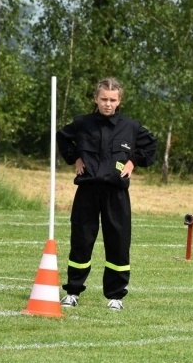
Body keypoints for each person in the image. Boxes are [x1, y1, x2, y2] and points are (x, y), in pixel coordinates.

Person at [56, 77, 157, 311]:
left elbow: (150, 146)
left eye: (112, 100)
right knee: (81, 241)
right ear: (96, 99)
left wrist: (132, 162)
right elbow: (63, 137)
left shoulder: (131, 127)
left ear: (119, 101)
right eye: (103, 99)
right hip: (87, 191)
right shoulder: (82, 123)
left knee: (118, 244)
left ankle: (116, 296)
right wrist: (76, 158)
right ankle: (72, 292)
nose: (107, 104)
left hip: (116, 194)